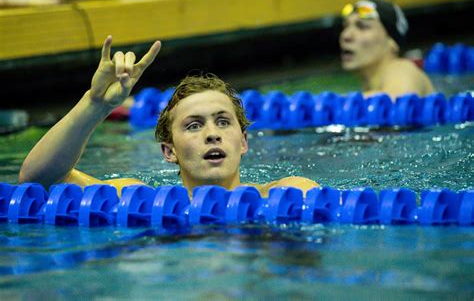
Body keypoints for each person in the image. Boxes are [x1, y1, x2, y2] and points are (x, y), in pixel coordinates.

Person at [18, 36, 318, 196]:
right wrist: (95, 104)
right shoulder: (137, 201)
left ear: (243, 142)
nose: (212, 134)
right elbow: (39, 180)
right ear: (169, 151)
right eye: (194, 125)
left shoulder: (288, 193)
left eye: (223, 121)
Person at [339, 0, 434, 99]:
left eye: (362, 27)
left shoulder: (403, 70)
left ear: (392, 41)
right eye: (345, 26)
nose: (345, 36)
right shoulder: (370, 89)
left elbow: (396, 104)